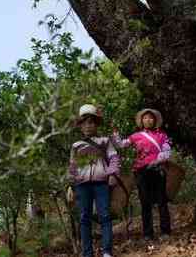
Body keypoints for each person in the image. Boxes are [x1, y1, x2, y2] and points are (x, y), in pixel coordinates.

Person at [69, 104, 120, 257]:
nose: (88, 125)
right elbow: (73, 167)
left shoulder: (105, 141)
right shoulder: (76, 145)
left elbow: (114, 158)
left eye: (91, 122)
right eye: (84, 123)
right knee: (84, 218)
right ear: (81, 126)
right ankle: (87, 253)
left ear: (96, 124)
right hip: (81, 185)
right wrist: (70, 186)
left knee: (105, 216)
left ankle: (107, 252)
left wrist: (112, 174)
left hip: (101, 183)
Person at [112, 108, 171, 241]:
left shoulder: (162, 135)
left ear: (154, 120)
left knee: (162, 201)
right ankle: (148, 234)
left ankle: (165, 231)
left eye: (151, 118)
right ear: (141, 121)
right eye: (145, 118)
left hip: (158, 169)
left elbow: (167, 151)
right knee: (145, 202)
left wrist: (159, 159)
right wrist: (115, 133)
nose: (148, 120)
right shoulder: (136, 136)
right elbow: (121, 144)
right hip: (141, 171)